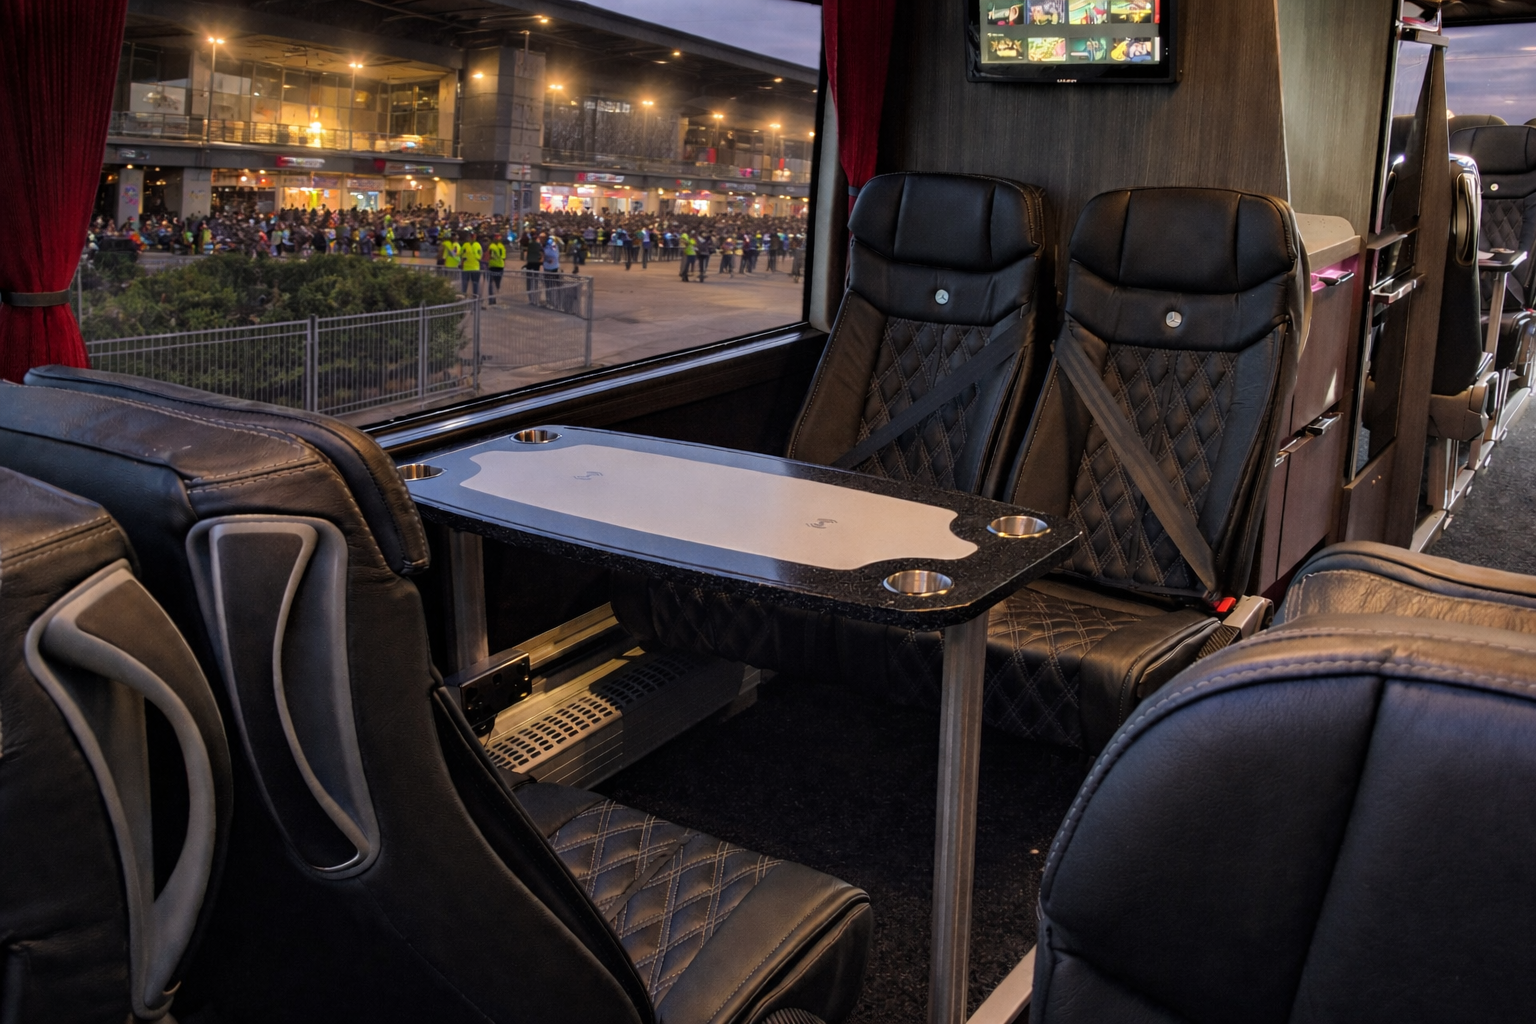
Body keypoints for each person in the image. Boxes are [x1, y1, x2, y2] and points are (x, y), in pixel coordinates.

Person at [461, 232, 483, 297]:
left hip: (475, 268)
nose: (472, 238)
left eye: (474, 236)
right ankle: (463, 296)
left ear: (475, 237)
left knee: (475, 283)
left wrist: (478, 259)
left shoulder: (478, 245)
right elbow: (461, 254)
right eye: (471, 236)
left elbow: (481, 254)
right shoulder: (465, 245)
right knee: (465, 283)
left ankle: (475, 296)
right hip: (466, 267)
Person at [486, 234, 506, 304]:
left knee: (491, 283)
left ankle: (492, 299)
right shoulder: (502, 246)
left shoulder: (491, 246)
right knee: (498, 283)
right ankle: (496, 298)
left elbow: (489, 256)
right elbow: (503, 257)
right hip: (500, 266)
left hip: (492, 266)